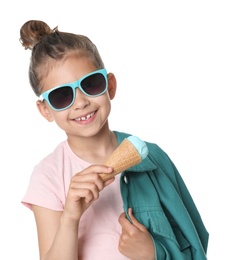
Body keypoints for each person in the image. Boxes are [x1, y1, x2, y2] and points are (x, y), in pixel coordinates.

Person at [20, 20, 209, 260]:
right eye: (61, 96)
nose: (80, 102)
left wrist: (155, 253)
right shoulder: (48, 176)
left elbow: (195, 244)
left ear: (110, 86)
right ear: (45, 110)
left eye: (91, 84)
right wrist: (70, 217)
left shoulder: (153, 158)